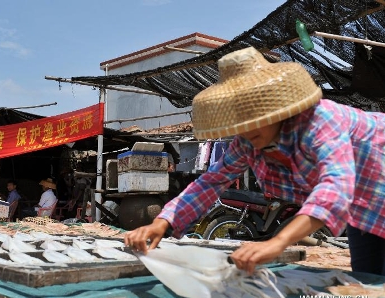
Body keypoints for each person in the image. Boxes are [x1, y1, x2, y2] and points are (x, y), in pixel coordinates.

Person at [124, 47, 385, 276]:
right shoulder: (248, 144)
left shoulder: (320, 121)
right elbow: (209, 183)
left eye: (256, 114)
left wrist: (278, 241)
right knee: (367, 282)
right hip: (363, 210)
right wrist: (161, 223)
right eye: (241, 118)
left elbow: (335, 186)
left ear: (276, 106)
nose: (247, 128)